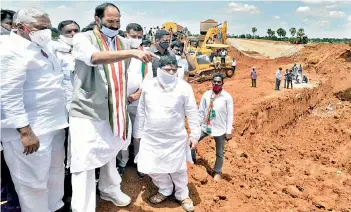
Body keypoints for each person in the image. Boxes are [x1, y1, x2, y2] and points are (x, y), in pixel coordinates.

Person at [69, 3, 154, 211]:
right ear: (98, 20)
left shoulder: (122, 41)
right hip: (87, 111)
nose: (115, 26)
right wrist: (130, 53)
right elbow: (94, 58)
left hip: (114, 109)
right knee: (85, 161)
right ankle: (83, 207)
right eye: (110, 22)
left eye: (117, 22)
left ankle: (110, 189)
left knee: (110, 152)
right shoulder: (83, 38)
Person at [1, 8, 68, 212]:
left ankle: (55, 208)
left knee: (55, 173)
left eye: (48, 26)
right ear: (20, 27)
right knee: (32, 184)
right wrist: (25, 131)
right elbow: (7, 93)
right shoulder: (8, 49)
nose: (46, 31)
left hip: (54, 124)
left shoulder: (42, 46)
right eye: (41, 27)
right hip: (29, 131)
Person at [133, 55, 200, 212]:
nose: (171, 72)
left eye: (174, 69)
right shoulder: (148, 86)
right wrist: (138, 131)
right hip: (151, 136)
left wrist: (195, 134)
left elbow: (192, 112)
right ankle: (165, 188)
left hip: (175, 137)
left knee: (178, 168)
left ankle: (182, 194)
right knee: (150, 166)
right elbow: (141, 110)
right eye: (167, 69)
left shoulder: (184, 87)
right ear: (158, 70)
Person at [52, 19, 81, 209]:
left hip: (81, 109)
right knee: (62, 155)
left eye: (75, 31)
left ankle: (77, 192)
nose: (72, 34)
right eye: (68, 32)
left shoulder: (83, 49)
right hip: (63, 111)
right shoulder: (54, 51)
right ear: (60, 33)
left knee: (77, 151)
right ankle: (64, 195)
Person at [116, 23, 151, 178]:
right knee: (121, 133)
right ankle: (122, 162)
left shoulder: (145, 54)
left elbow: (148, 77)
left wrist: (138, 93)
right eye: (133, 36)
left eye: (139, 37)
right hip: (119, 101)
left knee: (138, 134)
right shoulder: (118, 53)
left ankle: (139, 162)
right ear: (126, 35)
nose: (136, 39)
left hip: (137, 101)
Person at [192, 73, 234, 181]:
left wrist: (228, 131)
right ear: (211, 82)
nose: (216, 83)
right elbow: (201, 111)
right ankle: (192, 161)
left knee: (219, 153)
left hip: (220, 129)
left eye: (218, 82)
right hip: (206, 126)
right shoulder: (206, 95)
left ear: (222, 83)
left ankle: (217, 171)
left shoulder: (227, 97)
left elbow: (230, 115)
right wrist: (197, 125)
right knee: (191, 142)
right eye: (214, 81)